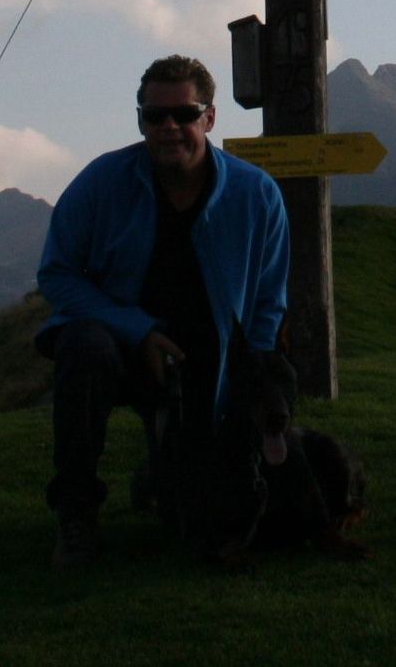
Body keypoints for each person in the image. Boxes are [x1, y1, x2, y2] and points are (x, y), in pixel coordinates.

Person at [35, 54, 290, 568]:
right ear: (140, 120)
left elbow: (268, 297)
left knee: (194, 520)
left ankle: (171, 476)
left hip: (209, 360)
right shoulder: (101, 182)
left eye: (185, 114)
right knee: (83, 348)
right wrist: (139, 331)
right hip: (120, 351)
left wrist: (254, 373)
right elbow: (57, 274)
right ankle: (77, 512)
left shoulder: (256, 193)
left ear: (210, 119)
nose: (169, 127)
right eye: (155, 116)